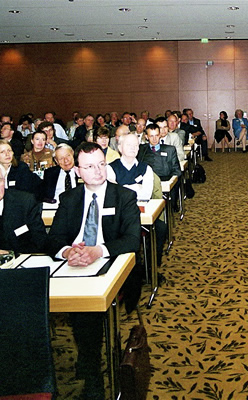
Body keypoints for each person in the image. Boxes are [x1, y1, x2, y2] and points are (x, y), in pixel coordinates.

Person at [48, 142, 141, 400]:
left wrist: (98, 251)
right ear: (78, 171)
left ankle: (93, 376)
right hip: (74, 265)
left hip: (111, 265)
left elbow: (132, 239)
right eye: (89, 167)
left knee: (87, 313)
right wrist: (68, 252)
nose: (98, 171)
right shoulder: (69, 199)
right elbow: (53, 239)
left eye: (101, 164)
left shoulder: (123, 196)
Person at [0, 169, 47, 254]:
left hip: (19, 258)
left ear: (4, 180)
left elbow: (40, 242)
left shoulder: (25, 202)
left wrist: (10, 255)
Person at [138, 123, 181, 210]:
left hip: (165, 180)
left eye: (157, 135)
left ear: (160, 135)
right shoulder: (141, 150)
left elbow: (177, 170)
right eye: (151, 136)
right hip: (146, 182)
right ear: (146, 137)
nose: (154, 139)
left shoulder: (169, 149)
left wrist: (170, 182)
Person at [107, 133, 154, 201]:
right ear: (120, 148)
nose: (132, 148)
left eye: (135, 145)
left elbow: (146, 195)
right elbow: (113, 195)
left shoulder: (146, 169)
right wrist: (136, 187)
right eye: (128, 145)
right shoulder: (110, 168)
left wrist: (122, 188)